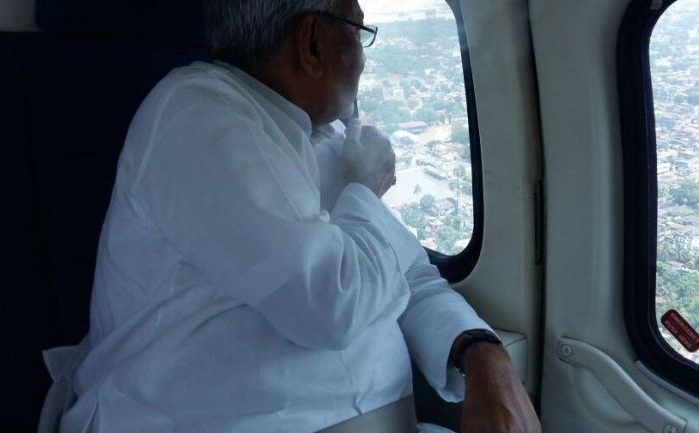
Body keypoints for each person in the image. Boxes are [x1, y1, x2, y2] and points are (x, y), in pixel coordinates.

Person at [40, 0, 541, 432]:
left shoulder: (333, 140)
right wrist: (366, 190)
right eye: (360, 32)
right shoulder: (195, 115)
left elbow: (410, 275)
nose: (364, 59)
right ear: (313, 44)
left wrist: (480, 353)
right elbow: (329, 305)